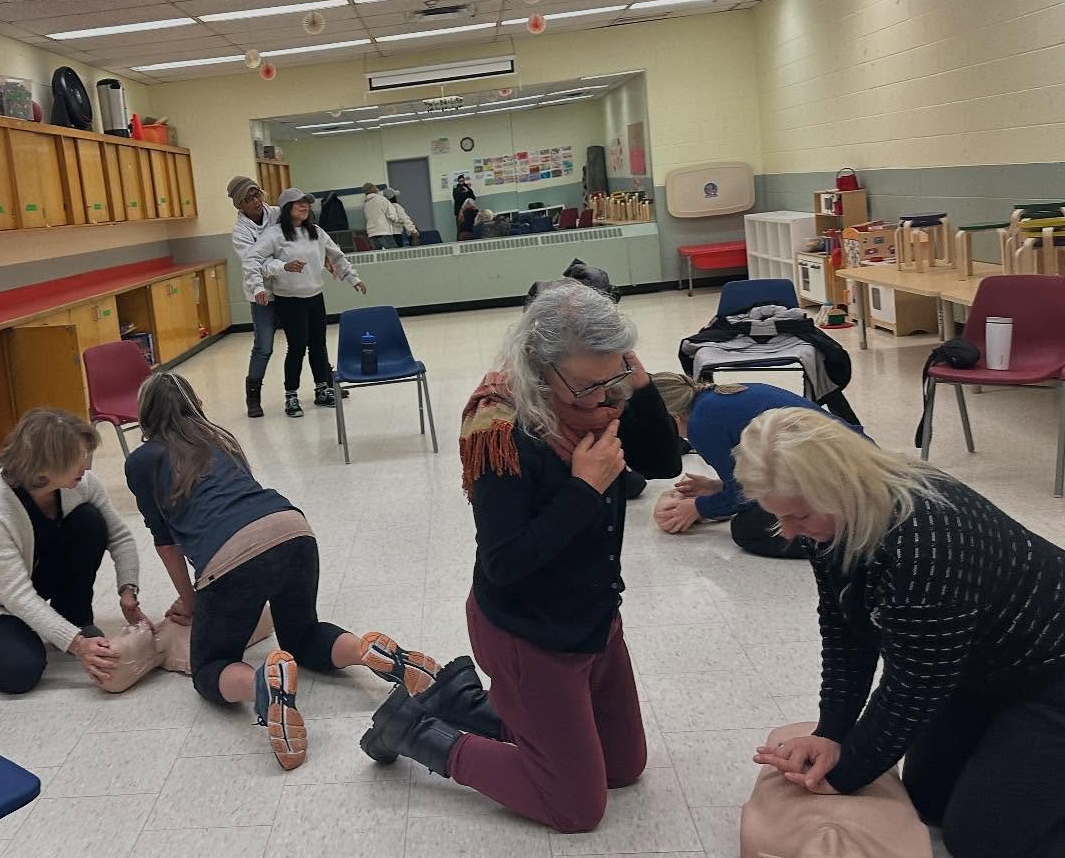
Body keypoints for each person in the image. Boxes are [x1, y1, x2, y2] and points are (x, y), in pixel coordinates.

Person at [360, 282, 683, 832]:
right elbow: (503, 564)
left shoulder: (595, 395)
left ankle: (464, 702)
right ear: (541, 368)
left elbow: (662, 461)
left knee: (625, 768)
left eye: (617, 378)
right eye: (592, 386)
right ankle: (417, 731)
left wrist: (638, 381)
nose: (609, 401)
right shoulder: (504, 430)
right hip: (526, 632)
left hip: (593, 619)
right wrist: (583, 490)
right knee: (576, 807)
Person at [740, 407, 1065, 858]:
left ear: (840, 487)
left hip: (1051, 671)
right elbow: (843, 629)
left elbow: (914, 685)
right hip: (980, 665)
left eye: (800, 516)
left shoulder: (925, 543)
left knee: (987, 842)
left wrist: (843, 773)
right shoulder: (835, 522)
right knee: (927, 799)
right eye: (781, 516)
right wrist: (832, 732)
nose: (791, 533)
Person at [126, 372, 439, 769]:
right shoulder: (221, 439)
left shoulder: (142, 460)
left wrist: (190, 603)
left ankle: (262, 687)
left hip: (231, 559)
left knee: (208, 668)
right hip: (292, 530)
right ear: (196, 405)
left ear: (146, 415)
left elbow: (166, 543)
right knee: (303, 633)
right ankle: (370, 652)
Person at [0, 408, 142, 695]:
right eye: (79, 457)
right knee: (21, 672)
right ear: (45, 466)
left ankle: (73, 616)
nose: (86, 466)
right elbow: (16, 595)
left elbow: (119, 536)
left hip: (30, 579)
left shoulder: (81, 484)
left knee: (89, 521)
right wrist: (77, 643)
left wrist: (128, 590)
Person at [649, 373, 867, 558]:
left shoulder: (700, 424)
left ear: (674, 419)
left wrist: (697, 508)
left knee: (748, 530)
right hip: (856, 460)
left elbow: (742, 496)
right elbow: (757, 475)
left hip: (844, 482)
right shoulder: (718, 397)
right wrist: (717, 487)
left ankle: (846, 540)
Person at [242, 187, 367, 417]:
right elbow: (252, 259)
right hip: (289, 300)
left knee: (318, 346)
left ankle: (322, 389)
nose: (305, 206)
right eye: (299, 203)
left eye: (306, 203)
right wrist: (257, 286)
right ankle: (291, 396)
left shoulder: (316, 232)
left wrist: (353, 278)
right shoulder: (275, 234)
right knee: (297, 347)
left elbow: (336, 256)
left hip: (314, 297)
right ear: (288, 208)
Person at [228, 175, 279, 419]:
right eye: (248, 199)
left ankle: (323, 384)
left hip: (290, 288)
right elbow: (254, 263)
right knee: (264, 346)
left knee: (305, 338)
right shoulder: (240, 232)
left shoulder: (278, 215)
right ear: (240, 205)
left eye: (257, 194)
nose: (256, 201)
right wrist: (283, 265)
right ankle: (253, 395)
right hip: (262, 294)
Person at [361, 182, 397, 249]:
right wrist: (394, 220)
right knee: (393, 254)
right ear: (373, 189)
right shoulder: (381, 199)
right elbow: (391, 215)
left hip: (371, 233)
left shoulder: (366, 203)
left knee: (379, 257)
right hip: (384, 231)